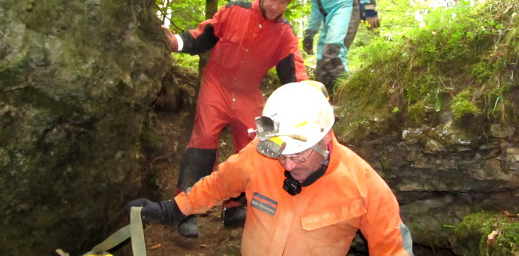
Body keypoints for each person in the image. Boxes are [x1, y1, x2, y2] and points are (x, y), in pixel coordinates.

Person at [127, 81, 414, 255]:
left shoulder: (363, 184)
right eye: (280, 154)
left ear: (325, 138)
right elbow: (218, 185)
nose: (287, 165)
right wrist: (172, 210)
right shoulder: (260, 156)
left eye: (298, 156)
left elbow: (392, 247)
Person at [162, 0, 308, 237]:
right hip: (216, 84)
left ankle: (235, 206)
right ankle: (185, 208)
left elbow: (294, 71)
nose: (276, 6)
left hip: (248, 93)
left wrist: (307, 95)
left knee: (256, 143)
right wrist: (175, 43)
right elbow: (203, 35)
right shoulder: (235, 11)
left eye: (283, 2)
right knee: (204, 137)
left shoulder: (285, 33)